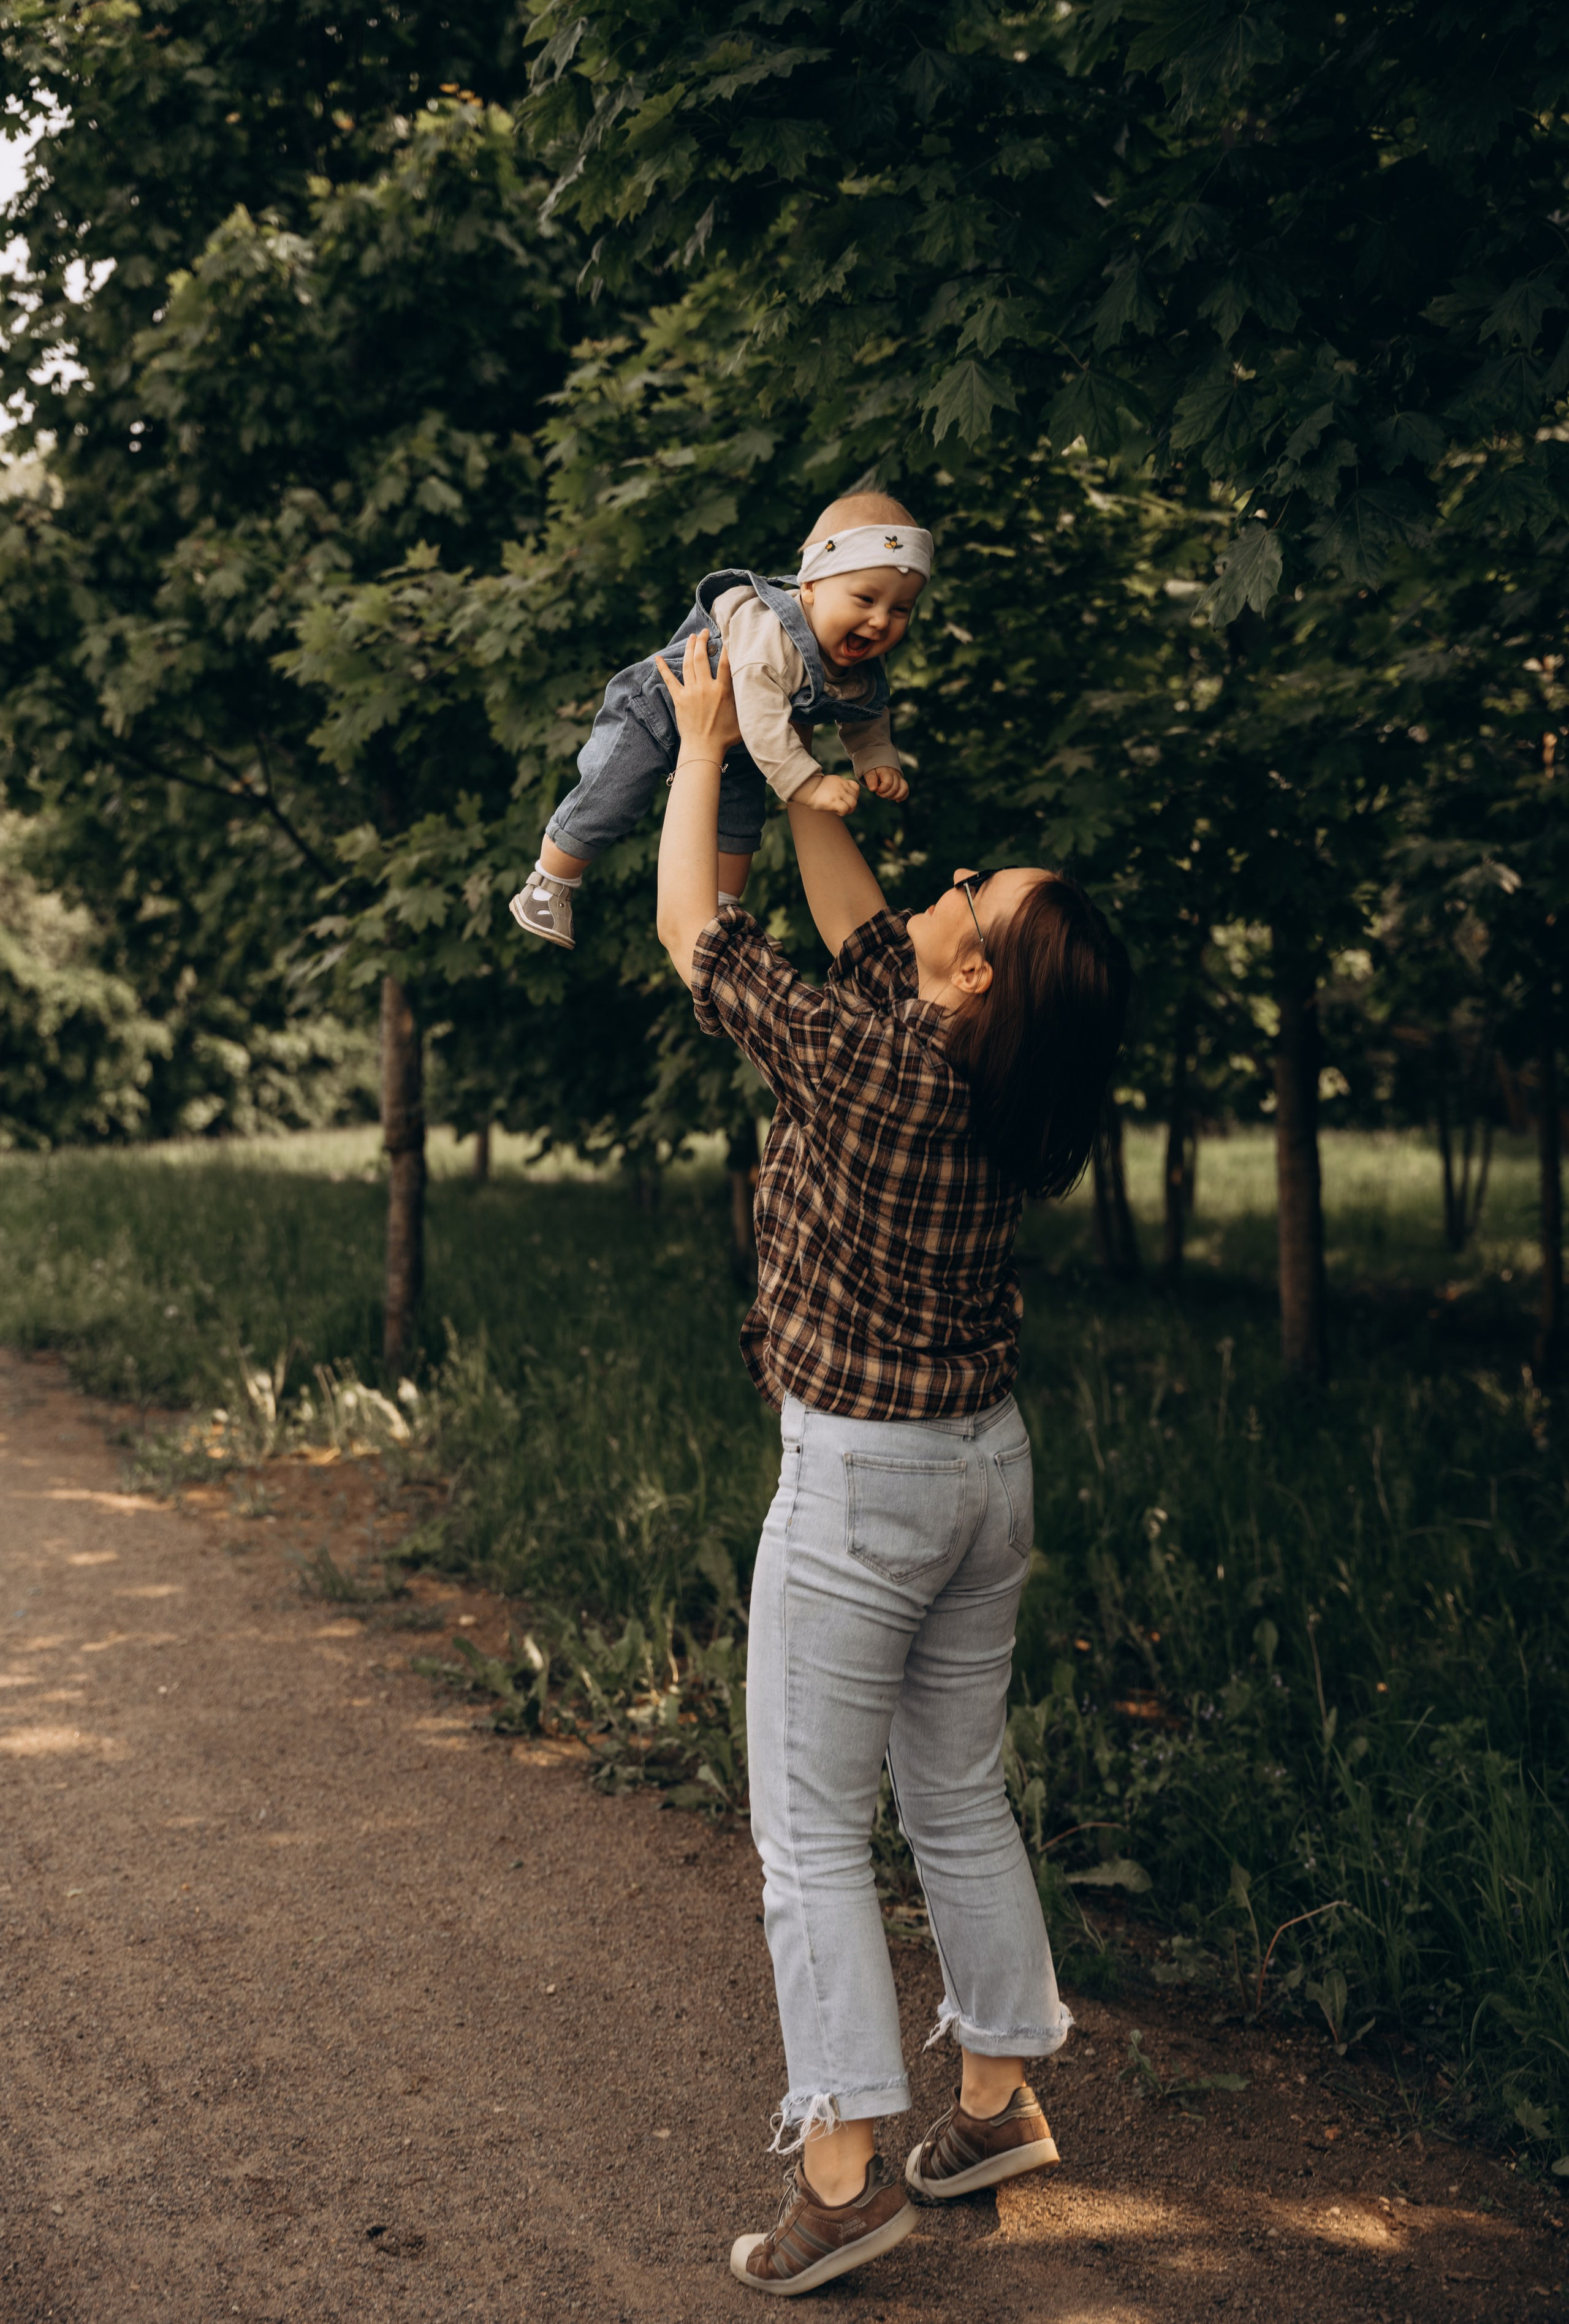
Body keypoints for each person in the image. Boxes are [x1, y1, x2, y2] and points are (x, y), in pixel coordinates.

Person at [653, 634, 1132, 2296]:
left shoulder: (872, 1062)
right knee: (953, 1792)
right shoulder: (988, 1070)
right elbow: (856, 911)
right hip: (983, 1472)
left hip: (864, 1488)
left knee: (807, 1830)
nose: (951, 878)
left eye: (976, 891)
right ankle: (992, 2100)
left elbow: (695, 939)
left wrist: (700, 742)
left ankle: (844, 2172)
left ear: (973, 971)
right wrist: (795, 754)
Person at [509, 492, 927, 950]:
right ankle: (549, 884)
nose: (880, 621)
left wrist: (875, 756)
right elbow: (760, 712)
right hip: (662, 707)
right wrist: (808, 784)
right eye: (865, 599)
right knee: (613, 793)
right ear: (810, 586)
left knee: (740, 828)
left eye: (900, 609)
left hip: (743, 744)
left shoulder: (858, 659)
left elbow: (866, 708)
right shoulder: (771, 634)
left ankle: (724, 919)